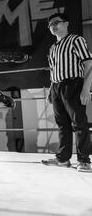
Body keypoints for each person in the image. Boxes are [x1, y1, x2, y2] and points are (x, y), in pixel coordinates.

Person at [42, 13, 92, 172]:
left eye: (56, 22)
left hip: (73, 84)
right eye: (50, 25)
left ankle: (84, 161)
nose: (53, 26)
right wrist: (51, 90)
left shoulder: (76, 40)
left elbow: (89, 64)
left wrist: (86, 88)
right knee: (62, 124)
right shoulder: (53, 48)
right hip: (57, 87)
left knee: (79, 123)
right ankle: (63, 159)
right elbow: (53, 71)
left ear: (66, 23)